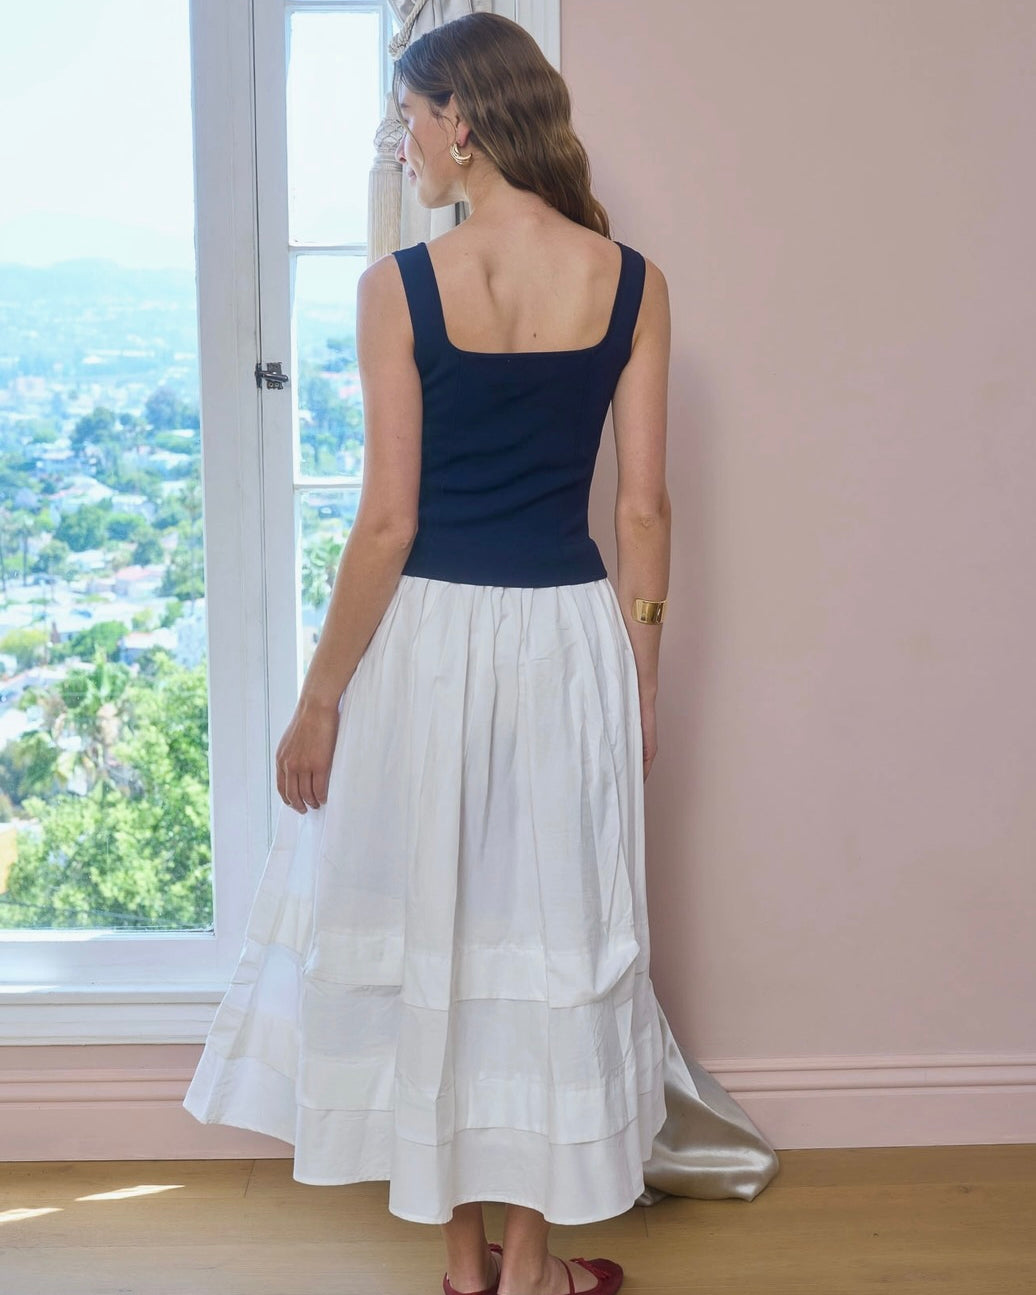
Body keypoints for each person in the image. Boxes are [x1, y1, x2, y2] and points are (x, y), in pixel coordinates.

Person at [183, 13, 671, 1295]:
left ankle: (464, 1268)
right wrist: (643, 682)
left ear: (463, 118)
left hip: (430, 645)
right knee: (546, 938)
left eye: (406, 116)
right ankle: (526, 1267)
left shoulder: (397, 286)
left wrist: (318, 696)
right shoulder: (628, 278)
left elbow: (388, 518)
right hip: (570, 637)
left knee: (435, 931)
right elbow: (640, 513)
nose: (399, 146)